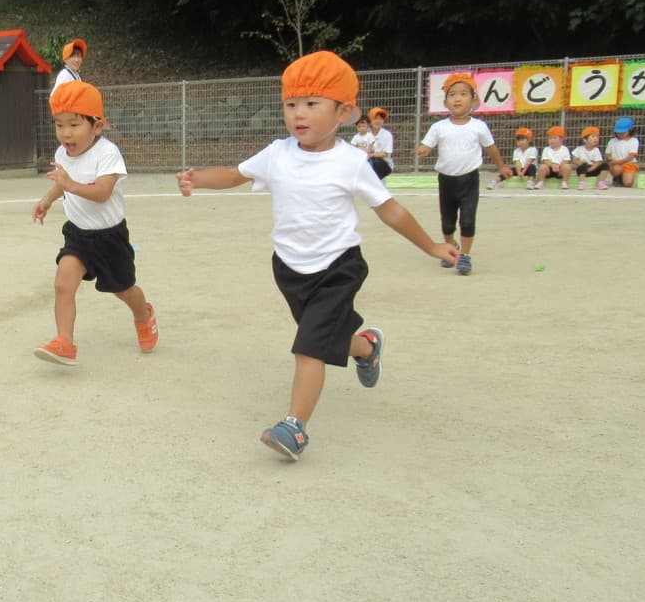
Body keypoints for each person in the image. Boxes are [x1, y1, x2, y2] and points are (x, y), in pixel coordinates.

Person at [175, 51, 458, 461]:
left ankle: (294, 428)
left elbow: (390, 209)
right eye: (291, 104)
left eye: (311, 103)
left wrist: (431, 245)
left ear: (343, 112)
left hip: (338, 267)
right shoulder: (277, 153)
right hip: (289, 269)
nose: (298, 113)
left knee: (309, 346)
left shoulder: (351, 162)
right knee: (327, 339)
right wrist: (198, 178)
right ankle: (366, 347)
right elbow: (235, 174)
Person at [31, 80, 158, 366]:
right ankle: (64, 342)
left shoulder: (107, 153)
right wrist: (48, 199)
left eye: (74, 124)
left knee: (123, 289)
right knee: (63, 284)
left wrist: (69, 184)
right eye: (59, 125)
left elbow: (102, 193)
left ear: (96, 126)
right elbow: (63, 183)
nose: (65, 133)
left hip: (110, 237)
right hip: (78, 235)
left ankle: (144, 315)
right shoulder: (62, 154)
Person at [415, 72, 506, 276]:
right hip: (446, 181)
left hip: (469, 180)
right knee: (447, 222)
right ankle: (450, 248)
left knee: (467, 220)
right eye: (452, 94)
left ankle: (464, 255)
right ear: (445, 102)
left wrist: (501, 167)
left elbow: (491, 148)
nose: (457, 98)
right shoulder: (439, 127)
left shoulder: (478, 126)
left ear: (473, 100)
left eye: (463, 94)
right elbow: (427, 144)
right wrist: (423, 149)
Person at [606, 115, 640, 188]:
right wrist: (610, 159)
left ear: (630, 130)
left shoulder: (634, 141)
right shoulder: (612, 141)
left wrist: (618, 162)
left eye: (623, 132)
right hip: (615, 164)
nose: (620, 134)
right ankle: (617, 178)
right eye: (618, 132)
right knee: (616, 169)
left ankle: (624, 178)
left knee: (628, 184)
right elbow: (607, 154)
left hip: (629, 164)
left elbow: (631, 156)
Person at [535, 124, 573, 189]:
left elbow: (566, 160)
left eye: (554, 138)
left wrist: (559, 165)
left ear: (561, 139)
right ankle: (541, 182)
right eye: (550, 138)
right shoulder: (546, 149)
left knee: (567, 166)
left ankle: (564, 182)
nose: (552, 140)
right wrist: (552, 165)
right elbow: (545, 160)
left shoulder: (565, 149)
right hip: (549, 169)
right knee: (542, 166)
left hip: (560, 169)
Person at [367, 107, 394, 181]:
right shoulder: (365, 133)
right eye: (375, 118)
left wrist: (371, 155)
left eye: (381, 119)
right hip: (368, 161)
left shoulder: (387, 134)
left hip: (384, 163)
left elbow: (385, 153)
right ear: (370, 120)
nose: (378, 121)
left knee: (374, 163)